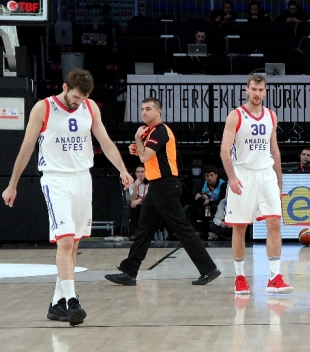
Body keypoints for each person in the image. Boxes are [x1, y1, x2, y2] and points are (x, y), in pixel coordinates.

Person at [1, 69, 133, 326]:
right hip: (56, 179)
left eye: (83, 98)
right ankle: (72, 302)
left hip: (83, 178)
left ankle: (56, 304)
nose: (79, 102)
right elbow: (27, 147)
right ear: (64, 87)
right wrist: (12, 185)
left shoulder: (90, 107)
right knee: (64, 242)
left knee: (74, 244)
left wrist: (123, 170)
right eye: (75, 97)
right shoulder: (43, 108)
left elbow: (104, 141)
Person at [104, 98, 221, 286]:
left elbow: (144, 156)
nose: (144, 112)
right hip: (157, 187)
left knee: (183, 230)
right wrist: (138, 147)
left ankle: (209, 268)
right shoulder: (151, 132)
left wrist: (136, 140)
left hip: (165, 186)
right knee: (143, 231)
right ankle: (129, 271)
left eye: (148, 109)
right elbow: (147, 156)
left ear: (158, 112)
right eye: (142, 109)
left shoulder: (160, 131)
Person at [220, 74, 293, 295]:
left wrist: (278, 178)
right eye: (253, 89)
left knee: (275, 224)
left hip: (266, 174)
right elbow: (224, 150)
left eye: (261, 90)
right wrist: (232, 177)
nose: (257, 93)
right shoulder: (236, 115)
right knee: (240, 227)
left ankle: (274, 277)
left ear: (265, 92)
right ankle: (240, 277)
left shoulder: (271, 116)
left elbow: (275, 149)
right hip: (243, 173)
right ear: (246, 90)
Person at [183, 164, 225, 238]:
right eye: (207, 176)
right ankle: (197, 231)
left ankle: (216, 231)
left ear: (216, 175)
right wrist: (198, 197)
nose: (209, 178)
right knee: (188, 208)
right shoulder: (203, 183)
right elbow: (197, 201)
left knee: (214, 207)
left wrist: (209, 202)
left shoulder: (223, 184)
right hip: (205, 209)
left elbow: (222, 202)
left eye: (212, 175)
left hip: (216, 209)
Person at [129, 164, 148, 237]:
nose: (140, 174)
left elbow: (150, 196)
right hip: (137, 205)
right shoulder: (132, 183)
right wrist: (136, 186)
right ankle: (135, 233)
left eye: (142, 172)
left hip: (149, 204)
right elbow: (132, 199)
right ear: (135, 173)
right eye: (138, 172)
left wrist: (140, 199)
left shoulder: (151, 183)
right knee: (133, 207)